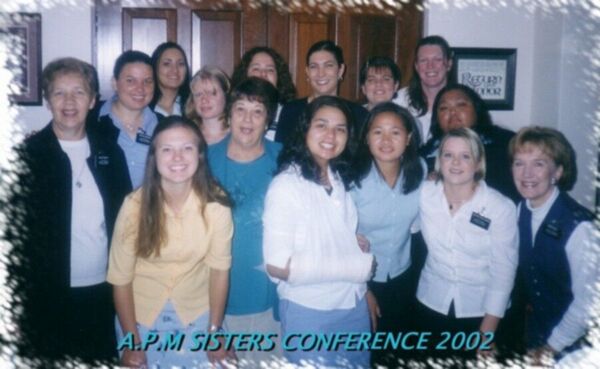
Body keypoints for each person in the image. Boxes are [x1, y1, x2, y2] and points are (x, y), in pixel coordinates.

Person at [7, 57, 131, 364]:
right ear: (48, 101)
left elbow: (127, 223)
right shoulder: (26, 156)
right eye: (59, 93)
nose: (69, 101)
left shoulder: (109, 152)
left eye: (78, 92)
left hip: (102, 294)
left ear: (92, 100)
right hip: (44, 298)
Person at [107, 116, 233, 368]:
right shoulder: (134, 206)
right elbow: (120, 279)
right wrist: (132, 342)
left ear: (200, 155)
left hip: (198, 314)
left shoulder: (217, 205)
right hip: (140, 319)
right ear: (154, 157)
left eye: (187, 148)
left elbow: (219, 272)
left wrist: (215, 329)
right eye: (167, 149)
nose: (177, 157)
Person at [264, 96, 374, 368]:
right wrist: (355, 266)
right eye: (321, 125)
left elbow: (342, 242)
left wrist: (360, 276)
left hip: (353, 306)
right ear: (305, 130)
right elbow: (277, 266)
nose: (330, 135)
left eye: (340, 128)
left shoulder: (338, 180)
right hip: (309, 311)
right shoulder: (286, 185)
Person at [416, 127, 518, 361]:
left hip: (481, 311)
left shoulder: (499, 207)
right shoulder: (425, 194)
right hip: (430, 303)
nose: (455, 163)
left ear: (478, 162)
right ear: (438, 161)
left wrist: (487, 332)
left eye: (465, 156)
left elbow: (504, 270)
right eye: (448, 155)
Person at [207, 77, 282, 365]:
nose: (247, 119)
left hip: (273, 302)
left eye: (258, 111)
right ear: (229, 113)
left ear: (268, 119)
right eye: (240, 109)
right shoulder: (204, 160)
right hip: (218, 304)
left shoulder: (286, 158)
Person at [509, 127, 597, 364]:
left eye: (538, 163)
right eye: (519, 163)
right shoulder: (521, 210)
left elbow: (588, 304)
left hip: (577, 345)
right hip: (538, 334)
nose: (526, 173)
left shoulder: (580, 227)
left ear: (557, 171)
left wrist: (550, 348)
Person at [351, 102, 424, 366]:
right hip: (362, 282)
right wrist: (363, 288)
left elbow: (418, 227)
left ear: (408, 138)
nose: (385, 140)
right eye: (377, 131)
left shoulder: (421, 172)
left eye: (395, 132)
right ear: (366, 138)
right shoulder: (351, 177)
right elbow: (338, 239)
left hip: (404, 278)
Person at [422, 83, 520, 202]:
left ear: (476, 109)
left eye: (461, 105)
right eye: (444, 108)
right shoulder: (426, 153)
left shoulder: (506, 143)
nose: (452, 112)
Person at [89, 50, 160, 188]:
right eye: (130, 81)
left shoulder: (163, 125)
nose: (140, 89)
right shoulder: (90, 121)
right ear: (115, 83)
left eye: (147, 81)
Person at [275, 40, 368, 144]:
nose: (321, 73)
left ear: (341, 70)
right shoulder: (291, 111)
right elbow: (280, 152)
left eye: (328, 65)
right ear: (307, 72)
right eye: (314, 66)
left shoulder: (358, 114)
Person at [394, 35, 452, 143]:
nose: (430, 66)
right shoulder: (399, 101)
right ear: (416, 66)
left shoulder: (462, 101)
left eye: (437, 59)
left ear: (448, 64)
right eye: (423, 60)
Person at [231, 46, 297, 140]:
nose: (263, 74)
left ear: (279, 78)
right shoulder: (233, 110)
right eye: (256, 69)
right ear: (244, 75)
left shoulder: (291, 114)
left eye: (270, 70)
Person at [185, 66, 231, 145]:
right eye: (199, 94)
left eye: (211, 93)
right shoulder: (186, 135)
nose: (204, 100)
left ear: (225, 96)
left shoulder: (239, 134)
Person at [149, 41, 191, 116]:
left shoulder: (194, 107)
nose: (175, 70)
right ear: (155, 67)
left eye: (180, 64)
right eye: (167, 64)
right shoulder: (145, 108)